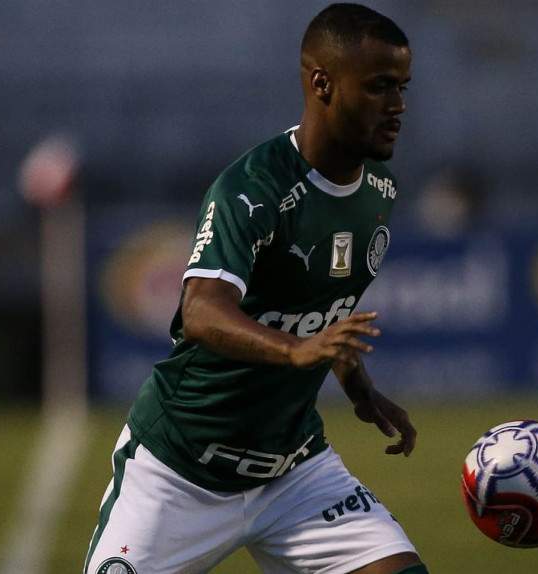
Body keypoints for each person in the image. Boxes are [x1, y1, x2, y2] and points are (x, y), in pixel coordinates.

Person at [84, 4, 427, 574]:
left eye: (402, 87)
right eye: (379, 87)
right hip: (179, 474)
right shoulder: (252, 188)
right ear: (322, 83)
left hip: (293, 471)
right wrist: (296, 352)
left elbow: (317, 314)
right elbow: (200, 310)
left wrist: (360, 388)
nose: (398, 106)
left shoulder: (382, 190)